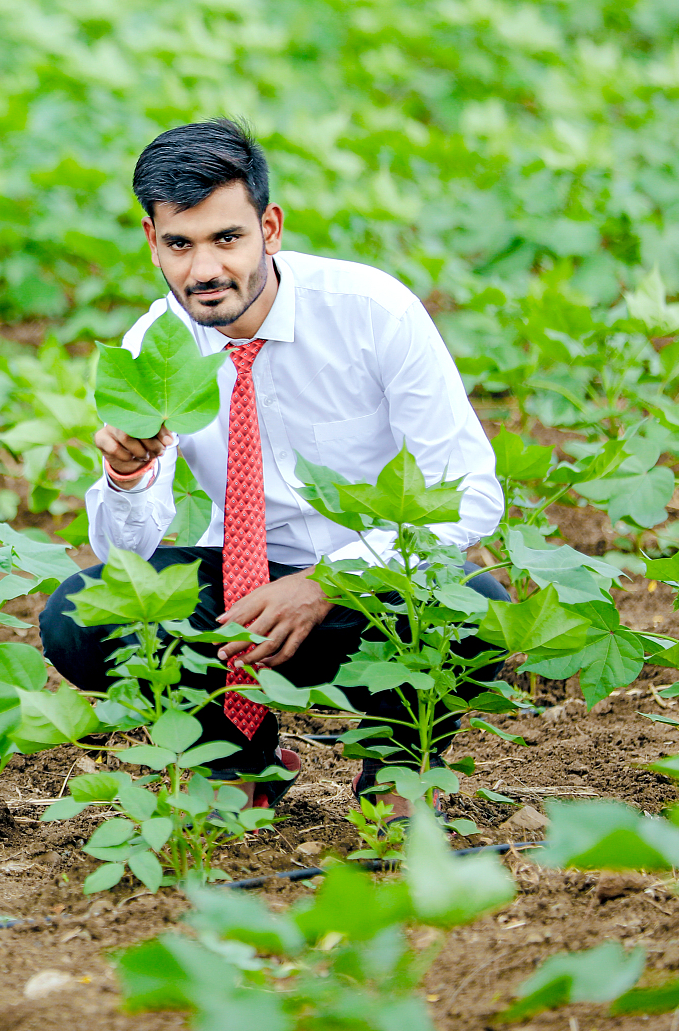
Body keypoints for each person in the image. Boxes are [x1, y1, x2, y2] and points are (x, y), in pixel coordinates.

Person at [38, 118, 508, 816]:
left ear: (271, 227)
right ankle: (237, 759)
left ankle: (398, 761)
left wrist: (328, 581)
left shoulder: (371, 312)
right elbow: (125, 558)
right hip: (241, 599)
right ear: (151, 240)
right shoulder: (155, 348)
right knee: (82, 616)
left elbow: (470, 491)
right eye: (180, 243)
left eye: (227, 238)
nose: (204, 269)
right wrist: (128, 481)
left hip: (374, 587)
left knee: (479, 615)